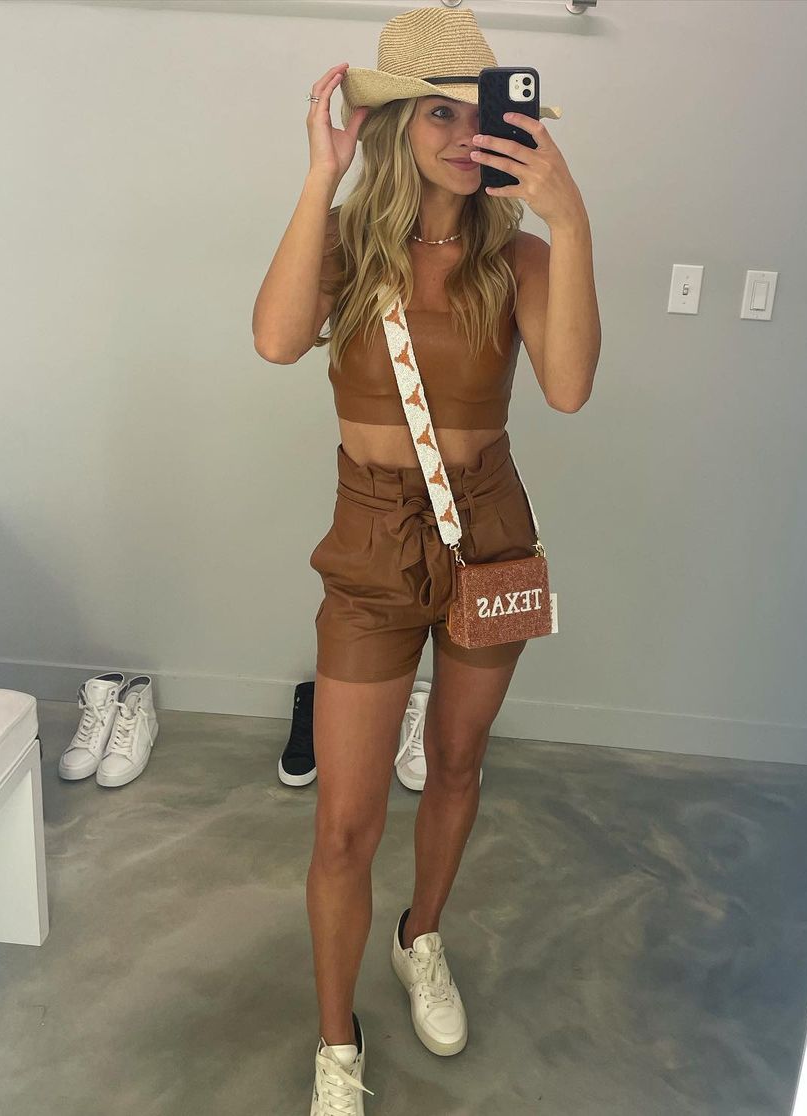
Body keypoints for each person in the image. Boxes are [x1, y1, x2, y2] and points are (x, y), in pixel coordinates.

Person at [251, 7, 598, 1113]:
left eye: (476, 114)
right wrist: (322, 177)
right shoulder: (349, 246)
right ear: (396, 122)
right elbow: (274, 339)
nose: (459, 135)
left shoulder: (520, 258)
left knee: (455, 764)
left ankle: (422, 936)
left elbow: (569, 389)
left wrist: (570, 217)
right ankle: (337, 1044)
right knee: (344, 823)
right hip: (370, 538)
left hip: (492, 528)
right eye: (436, 113)